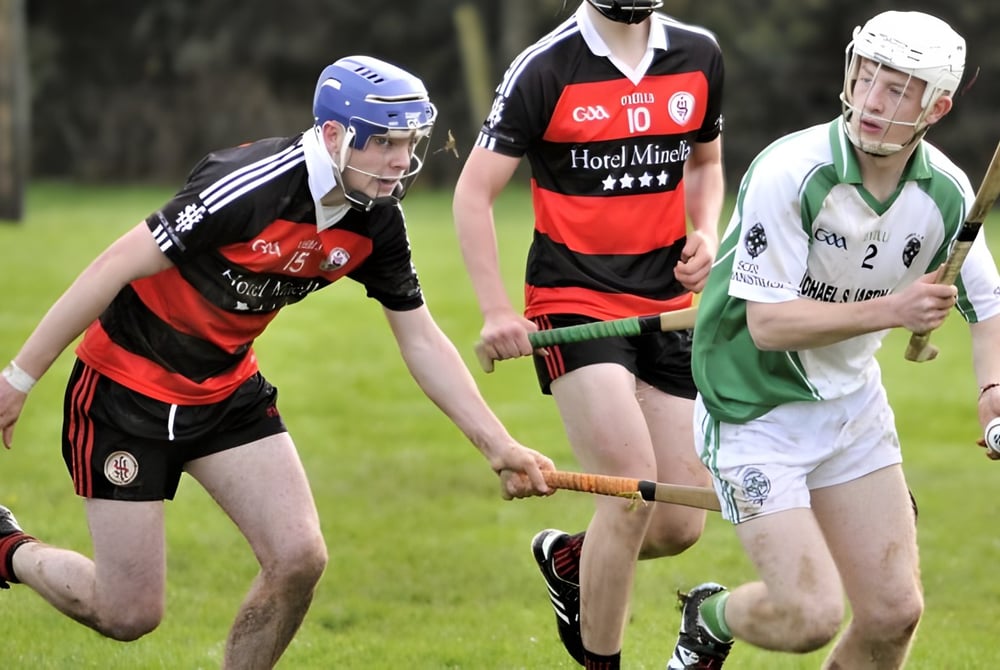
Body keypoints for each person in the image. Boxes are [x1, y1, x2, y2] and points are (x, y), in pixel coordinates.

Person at [0, 55, 555, 669]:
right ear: (339, 136)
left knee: (299, 558)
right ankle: (8, 547)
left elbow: (420, 338)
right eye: (389, 144)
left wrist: (497, 444)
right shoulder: (250, 185)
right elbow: (114, 266)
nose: (403, 161)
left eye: (412, 143)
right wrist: (18, 379)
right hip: (126, 393)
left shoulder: (377, 220)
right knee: (128, 614)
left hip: (225, 391)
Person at [667, 11, 1000, 669]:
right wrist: (893, 308)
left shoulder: (947, 193)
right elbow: (768, 325)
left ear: (939, 104)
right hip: (750, 407)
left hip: (849, 405)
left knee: (892, 615)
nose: (874, 100)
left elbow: (986, 305)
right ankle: (708, 619)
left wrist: (993, 390)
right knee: (808, 615)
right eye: (868, 76)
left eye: (899, 88)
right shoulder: (791, 170)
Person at [452, 1, 725, 667]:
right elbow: (472, 194)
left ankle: (571, 558)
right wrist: (496, 311)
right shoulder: (543, 67)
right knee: (632, 489)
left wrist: (707, 229)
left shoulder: (699, 54)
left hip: (666, 301)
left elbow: (706, 164)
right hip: (573, 300)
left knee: (678, 522)